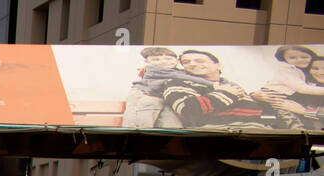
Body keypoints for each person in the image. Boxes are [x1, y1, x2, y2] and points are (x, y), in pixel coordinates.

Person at [163, 50, 301, 130]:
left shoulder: (232, 85)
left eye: (199, 60)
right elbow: (188, 110)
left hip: (255, 134)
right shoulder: (177, 83)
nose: (192, 64)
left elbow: (253, 112)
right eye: (186, 62)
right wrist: (226, 93)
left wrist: (260, 101)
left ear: (219, 66)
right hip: (218, 137)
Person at [122, 47, 191, 128]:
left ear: (177, 61)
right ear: (147, 62)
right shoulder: (152, 70)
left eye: (168, 59)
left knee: (173, 126)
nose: (163, 62)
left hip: (164, 98)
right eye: (156, 59)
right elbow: (185, 77)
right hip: (145, 94)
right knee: (141, 124)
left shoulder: (177, 71)